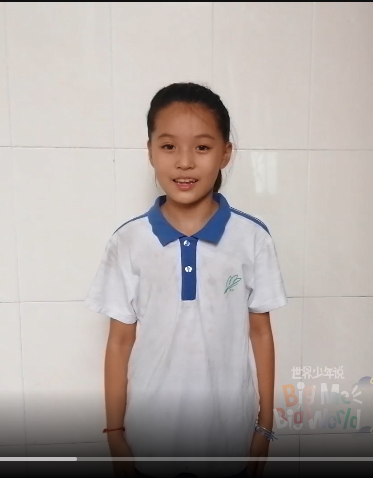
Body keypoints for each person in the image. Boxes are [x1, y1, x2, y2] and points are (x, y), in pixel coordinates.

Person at [85, 82, 287, 478]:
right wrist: (115, 433)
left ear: (225, 153)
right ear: (150, 151)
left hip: (229, 434)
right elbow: (120, 342)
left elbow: (261, 333)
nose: (184, 162)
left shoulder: (251, 239)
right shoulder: (128, 241)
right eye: (169, 146)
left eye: (202, 147)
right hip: (149, 436)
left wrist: (264, 425)